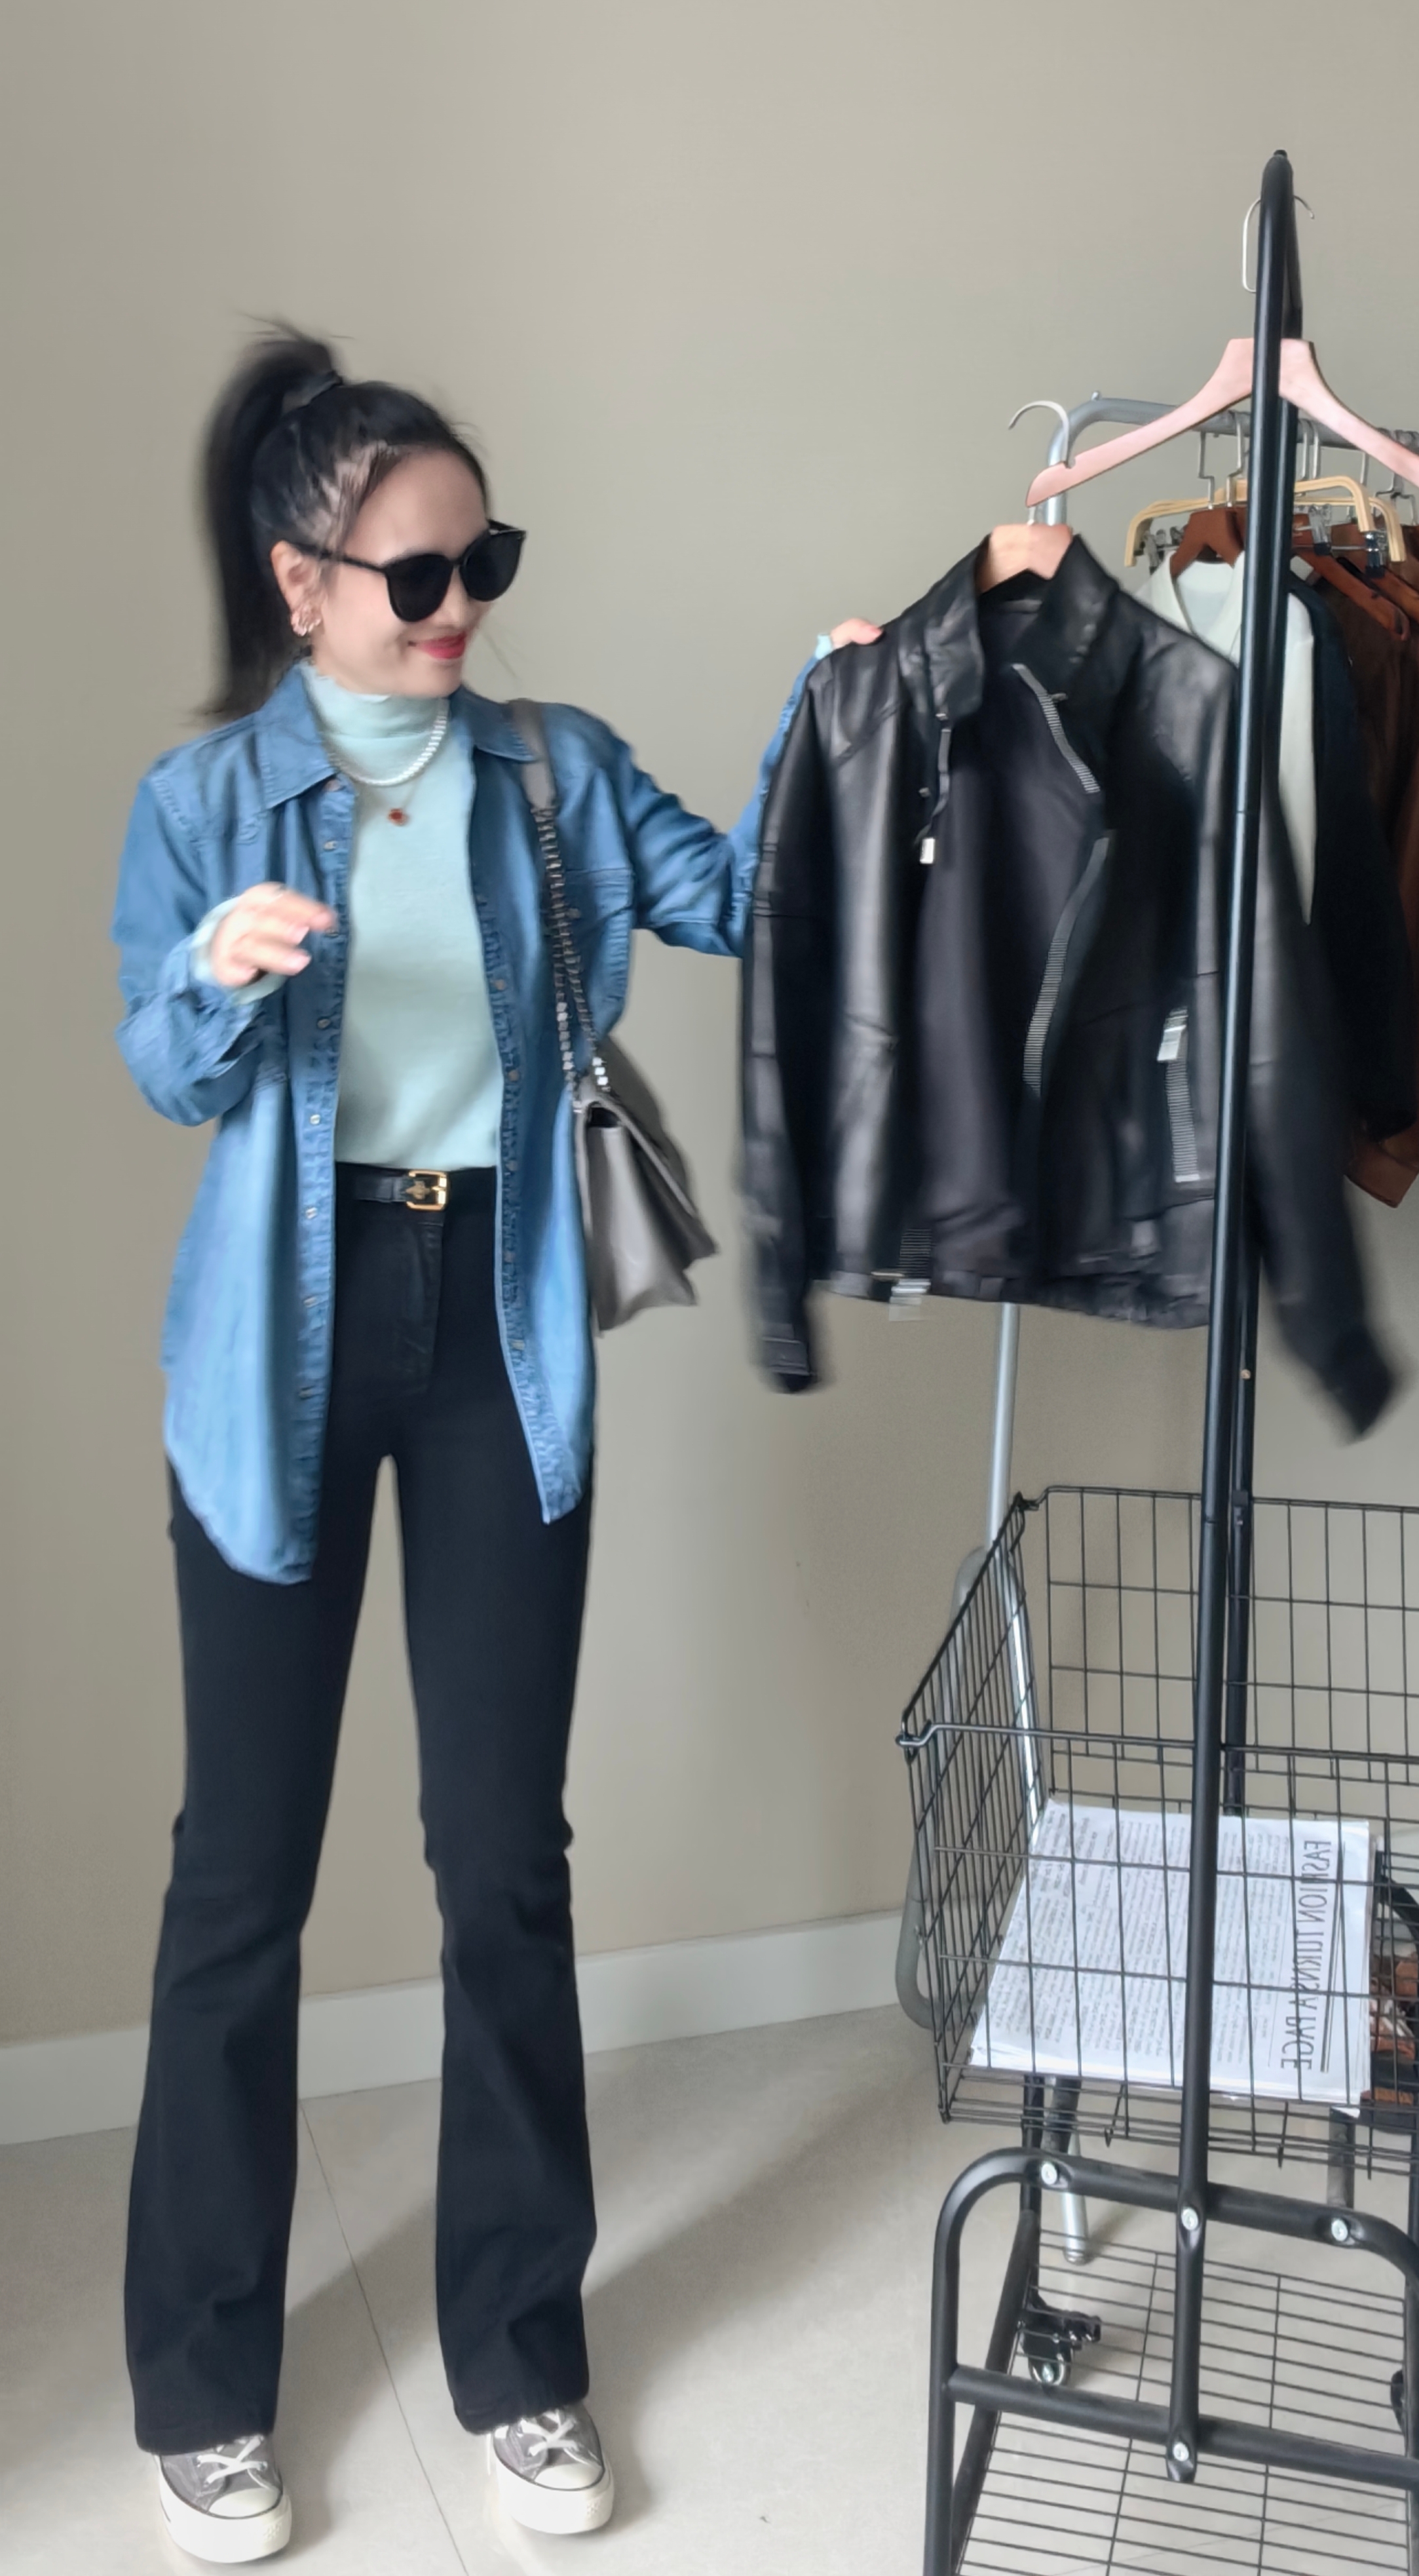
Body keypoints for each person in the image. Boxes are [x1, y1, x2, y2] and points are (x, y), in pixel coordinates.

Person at [110, 323, 877, 2564]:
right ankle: (199, 2387)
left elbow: (756, 897)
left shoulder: (551, 773)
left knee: (500, 1860)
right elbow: (158, 1063)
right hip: (276, 1343)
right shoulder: (206, 802)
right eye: (419, 575)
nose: (460, 610)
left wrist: (844, 708)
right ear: (301, 585)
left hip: (499, 1336)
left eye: (485, 563)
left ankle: (524, 2357)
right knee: (239, 1882)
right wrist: (218, 976)